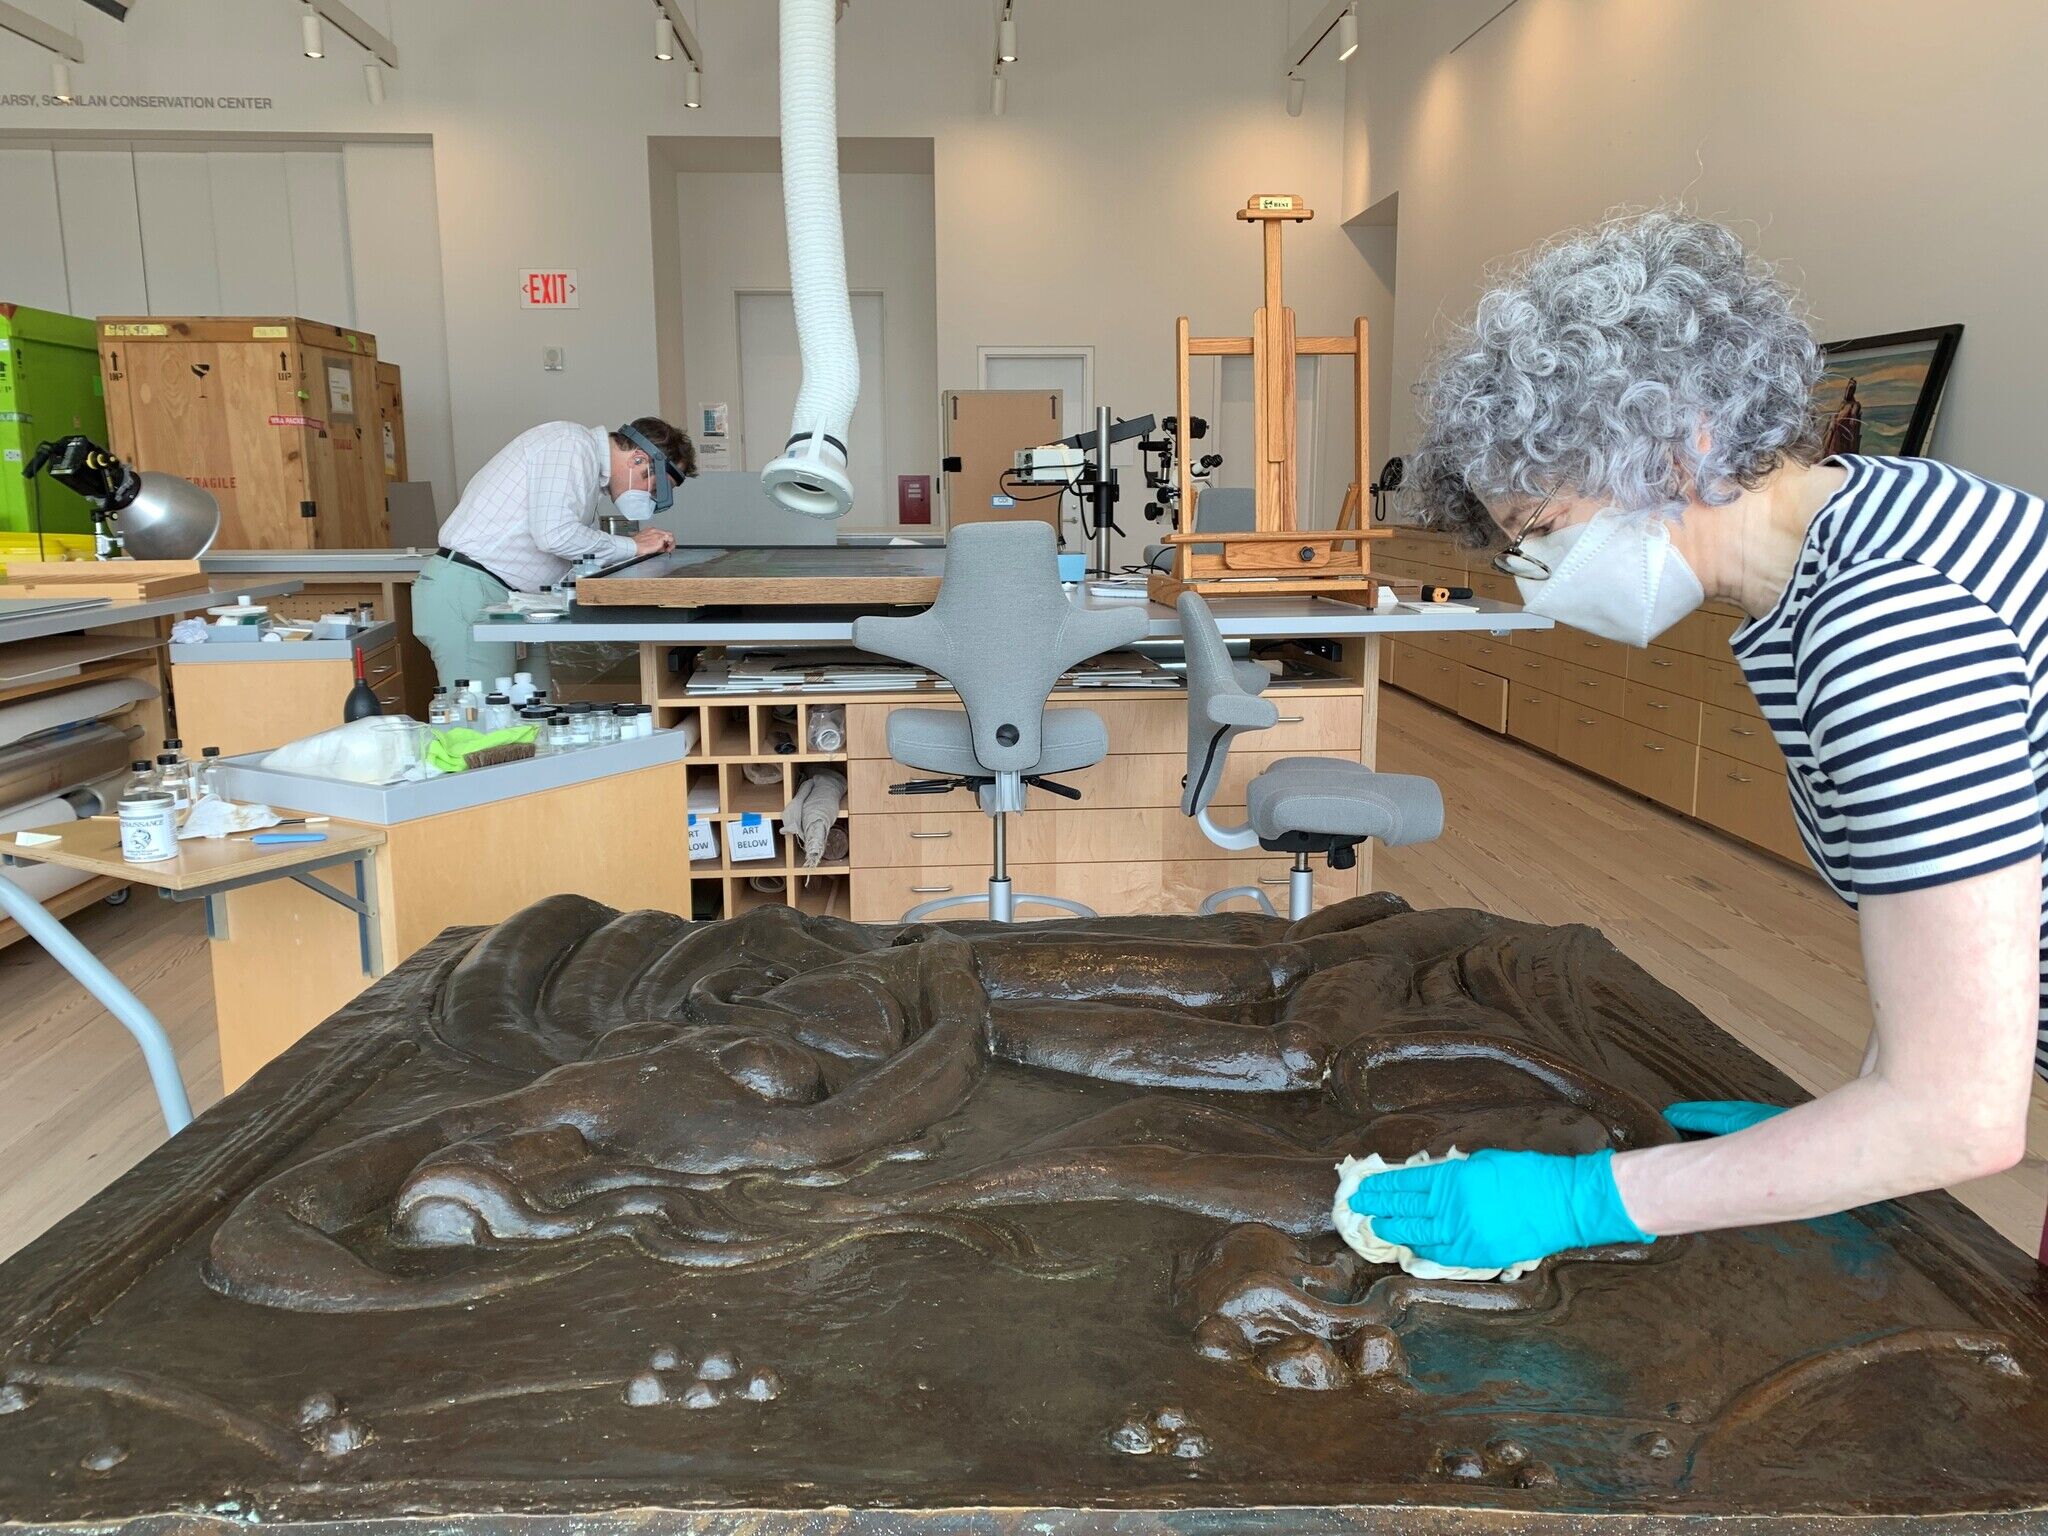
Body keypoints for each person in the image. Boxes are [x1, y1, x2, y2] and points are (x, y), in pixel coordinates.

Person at [1347, 209, 2039, 1271]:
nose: (1534, 572)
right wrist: (1845, 1127)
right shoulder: (1851, 542)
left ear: (1683, 441)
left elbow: (1958, 1112)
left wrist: (1589, 1199)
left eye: (1542, 532)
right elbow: (1948, 948)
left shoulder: (1889, 623)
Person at [412, 418, 696, 693]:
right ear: (638, 460)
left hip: (508, 600)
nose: (651, 497)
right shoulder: (570, 444)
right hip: (471, 590)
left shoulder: (586, 473)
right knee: (483, 725)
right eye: (656, 488)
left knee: (535, 711)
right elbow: (555, 535)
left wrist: (629, 551)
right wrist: (633, 546)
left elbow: (571, 545)